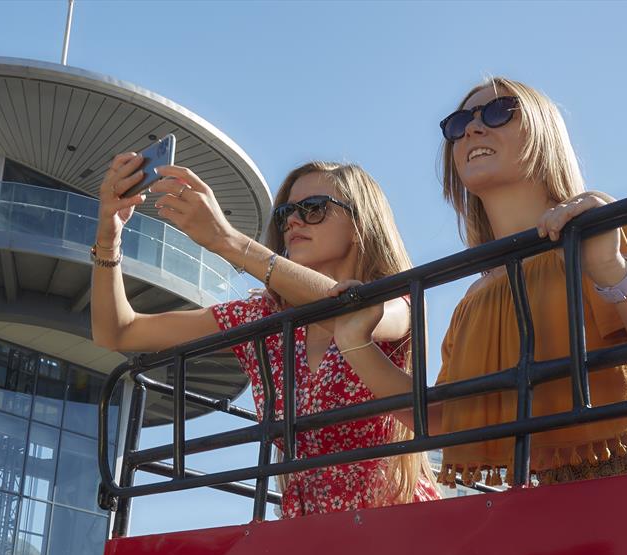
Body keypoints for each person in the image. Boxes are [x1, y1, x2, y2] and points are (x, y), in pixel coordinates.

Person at [341, 77, 627, 487]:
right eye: (458, 123)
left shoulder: (601, 228)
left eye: (499, 112)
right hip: (545, 501)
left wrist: (609, 267)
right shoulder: (473, 298)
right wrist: (356, 342)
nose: (474, 129)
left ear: (545, 134)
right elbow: (445, 422)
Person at [88, 155, 438, 517]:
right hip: (308, 539)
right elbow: (118, 331)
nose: (295, 220)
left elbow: (357, 315)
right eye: (287, 213)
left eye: (314, 208)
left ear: (359, 223)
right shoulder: (264, 317)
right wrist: (108, 236)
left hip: (400, 527)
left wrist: (229, 242)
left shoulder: (397, 299)